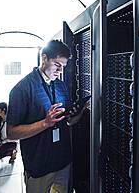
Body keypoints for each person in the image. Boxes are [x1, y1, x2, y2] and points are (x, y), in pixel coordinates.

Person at [7, 40, 88, 193]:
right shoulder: (22, 89)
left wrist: (80, 111)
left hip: (63, 162)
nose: (60, 71)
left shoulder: (60, 85)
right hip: (39, 167)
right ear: (44, 58)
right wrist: (45, 123)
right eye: (57, 65)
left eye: (63, 67)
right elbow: (11, 133)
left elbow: (69, 122)